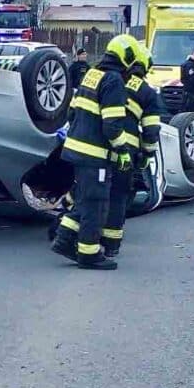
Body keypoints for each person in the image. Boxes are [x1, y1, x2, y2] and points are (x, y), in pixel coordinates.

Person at [50, 34, 134, 271]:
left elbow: (72, 113)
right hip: (95, 155)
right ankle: (89, 254)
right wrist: (124, 151)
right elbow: (112, 125)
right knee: (95, 204)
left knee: (85, 199)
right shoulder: (114, 80)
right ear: (126, 58)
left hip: (76, 151)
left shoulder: (92, 74)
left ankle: (64, 240)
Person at [100, 41, 162, 259]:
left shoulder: (108, 78)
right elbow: (151, 130)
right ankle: (111, 244)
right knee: (118, 196)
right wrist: (147, 155)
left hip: (99, 146)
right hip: (127, 151)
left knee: (89, 192)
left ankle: (72, 231)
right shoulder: (147, 91)